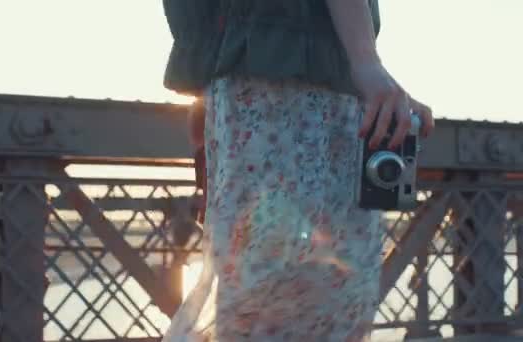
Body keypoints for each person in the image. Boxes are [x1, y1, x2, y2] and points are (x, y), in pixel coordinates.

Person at [162, 0, 434, 341]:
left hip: (248, 96)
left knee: (257, 295)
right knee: (318, 297)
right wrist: (366, 61)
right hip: (304, 101)